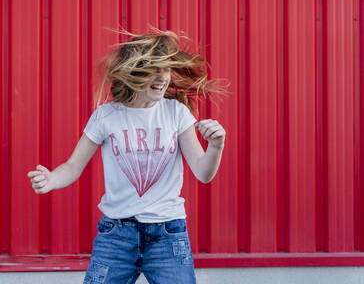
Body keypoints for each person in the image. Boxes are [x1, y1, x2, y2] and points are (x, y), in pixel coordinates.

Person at [28, 27, 228, 283]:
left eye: (165, 68)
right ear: (134, 72)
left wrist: (216, 146)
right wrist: (51, 180)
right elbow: (73, 165)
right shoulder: (106, 116)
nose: (162, 77)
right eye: (152, 69)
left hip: (168, 235)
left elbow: (203, 173)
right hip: (116, 235)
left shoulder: (176, 113)